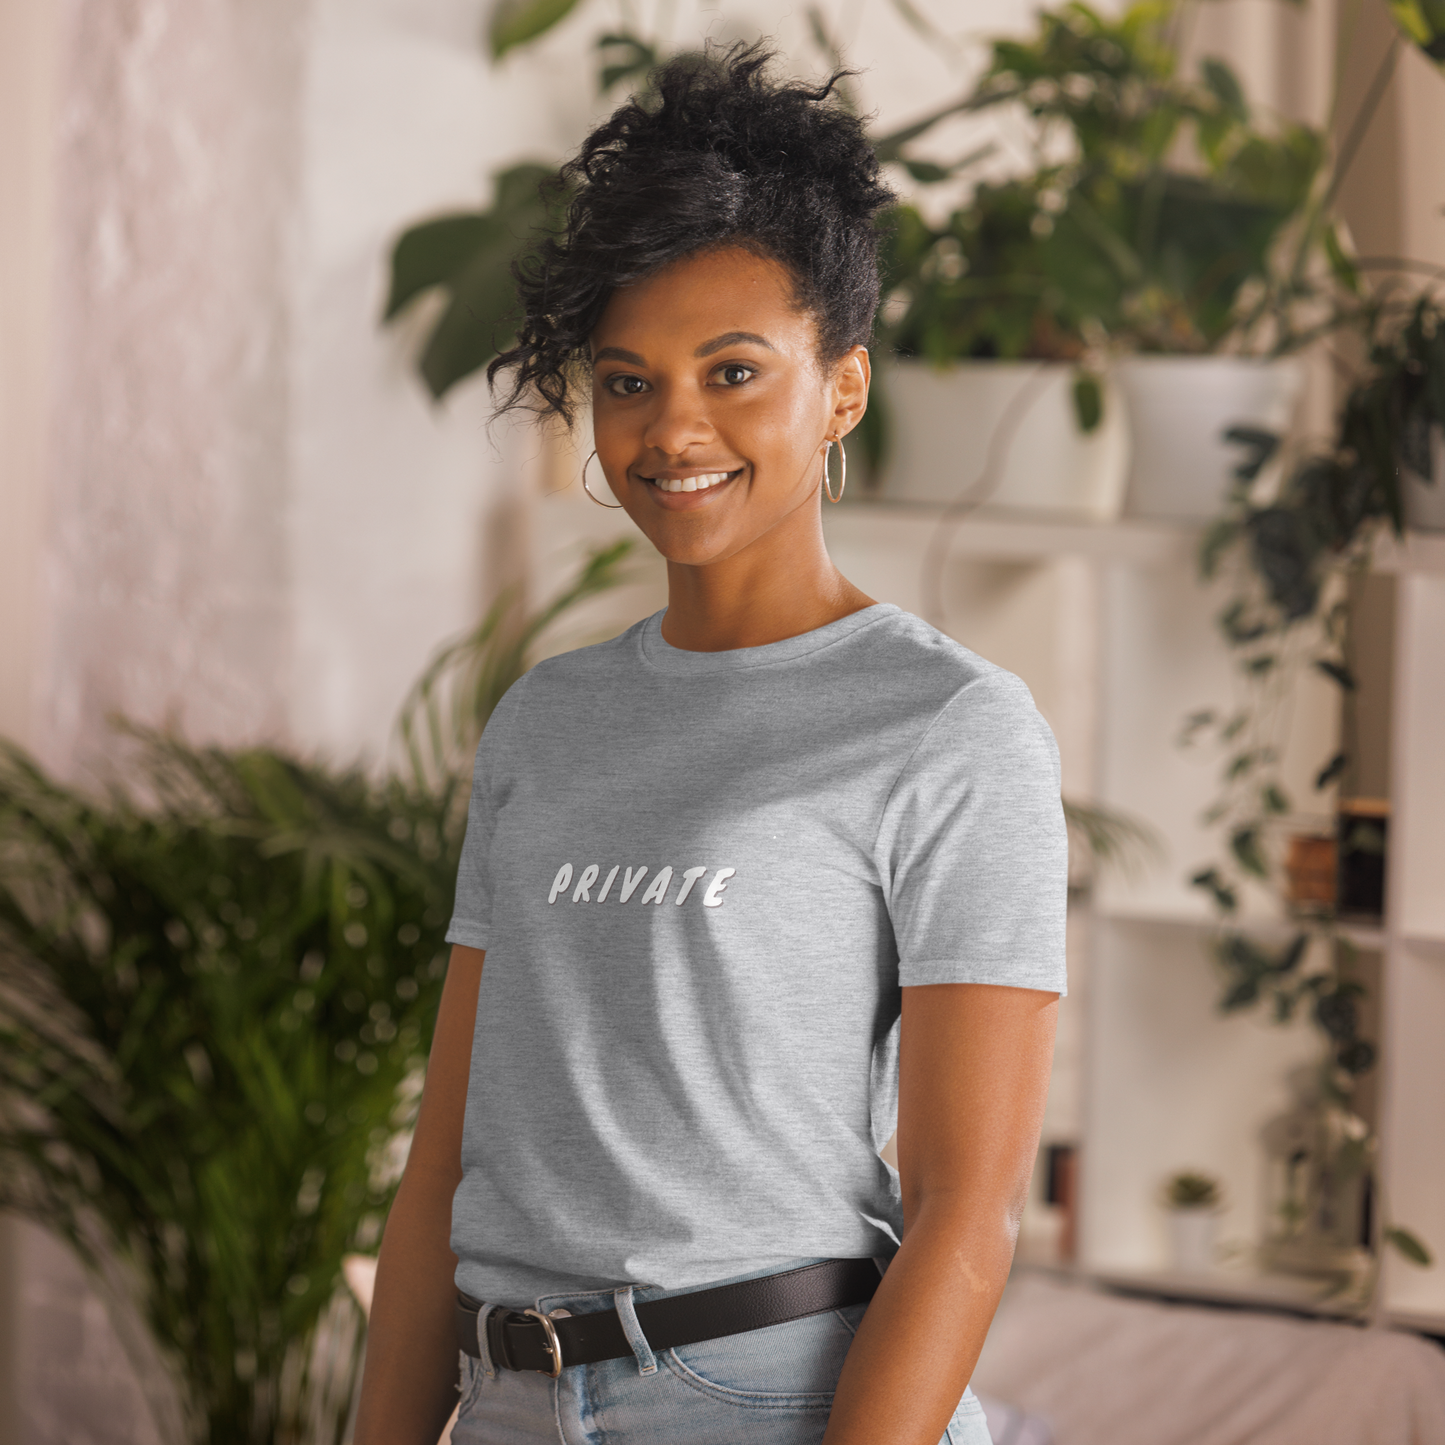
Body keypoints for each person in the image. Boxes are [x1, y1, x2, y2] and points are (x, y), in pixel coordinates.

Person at [354, 44, 1066, 1445]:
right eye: (628, 382)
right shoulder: (545, 720)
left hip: (768, 1395)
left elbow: (966, 1212)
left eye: (733, 372)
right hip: (506, 1399)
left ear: (842, 389)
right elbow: (447, 1161)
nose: (672, 429)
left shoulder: (950, 726)